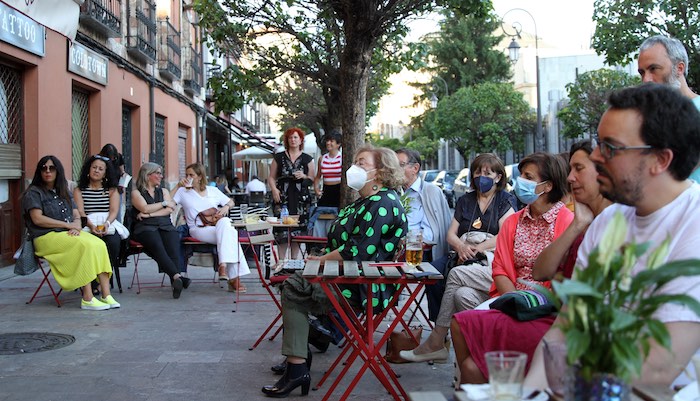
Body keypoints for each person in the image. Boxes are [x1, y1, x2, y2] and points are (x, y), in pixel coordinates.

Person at [528, 84, 700, 389]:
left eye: (610, 147)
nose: (596, 157)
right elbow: (564, 331)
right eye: (598, 144)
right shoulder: (608, 222)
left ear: (660, 160)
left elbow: (657, 369)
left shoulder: (693, 223)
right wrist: (527, 393)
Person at [449, 141, 611, 384]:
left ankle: (459, 361)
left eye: (528, 177)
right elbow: (502, 268)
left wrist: (526, 306)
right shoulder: (515, 220)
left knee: (471, 353)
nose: (571, 177)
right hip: (514, 298)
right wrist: (514, 301)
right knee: (462, 320)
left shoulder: (571, 220)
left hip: (544, 306)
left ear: (547, 186)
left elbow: (557, 285)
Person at [261, 145, 407, 398]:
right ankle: (301, 357)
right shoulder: (367, 201)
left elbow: (356, 250)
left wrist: (319, 261)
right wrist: (320, 259)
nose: (354, 167)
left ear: (380, 172)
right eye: (355, 161)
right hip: (349, 275)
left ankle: (299, 363)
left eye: (362, 163)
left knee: (293, 287)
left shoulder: (382, 202)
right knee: (293, 284)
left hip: (362, 286)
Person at [400, 153, 516, 363]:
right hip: (461, 251)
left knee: (455, 274)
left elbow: (504, 236)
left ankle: (437, 339)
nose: (481, 176)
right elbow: (450, 234)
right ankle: (442, 333)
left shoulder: (505, 200)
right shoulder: (465, 200)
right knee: (433, 273)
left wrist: (477, 249)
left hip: (488, 255)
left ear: (498, 176)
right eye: (478, 172)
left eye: (487, 173)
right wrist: (461, 247)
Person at [21, 155, 120, 310]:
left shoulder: (63, 191)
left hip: (65, 233)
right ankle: (87, 298)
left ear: (58, 171)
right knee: (83, 246)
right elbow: (37, 219)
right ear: (39, 171)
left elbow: (76, 213)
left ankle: (106, 294)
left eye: (52, 168)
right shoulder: (34, 192)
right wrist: (67, 226)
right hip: (45, 237)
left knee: (99, 244)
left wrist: (76, 225)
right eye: (44, 168)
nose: (48, 171)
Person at [172, 163, 250, 292]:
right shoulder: (182, 192)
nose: (188, 178)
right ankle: (233, 278)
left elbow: (231, 202)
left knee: (226, 223)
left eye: (191, 175)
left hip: (215, 226)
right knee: (231, 234)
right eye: (187, 175)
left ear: (200, 177)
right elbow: (168, 202)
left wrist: (226, 207)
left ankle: (223, 266)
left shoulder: (212, 190)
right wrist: (177, 186)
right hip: (197, 229)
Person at [637, 35, 700, 182]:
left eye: (653, 69)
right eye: (642, 72)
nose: (646, 79)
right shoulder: (647, 117)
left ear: (679, 68)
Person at [130, 162, 190, 299]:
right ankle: (178, 277)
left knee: (173, 245)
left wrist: (150, 214)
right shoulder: (136, 193)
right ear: (147, 175)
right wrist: (163, 203)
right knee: (158, 247)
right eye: (157, 173)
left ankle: (176, 282)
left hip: (164, 224)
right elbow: (144, 208)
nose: (161, 176)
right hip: (145, 227)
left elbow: (169, 209)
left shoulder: (163, 191)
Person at [74, 154, 129, 290]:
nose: (96, 171)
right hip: (87, 224)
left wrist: (106, 224)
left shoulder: (112, 190)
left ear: (105, 173)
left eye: (100, 169)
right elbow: (80, 211)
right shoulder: (79, 190)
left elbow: (114, 211)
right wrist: (91, 226)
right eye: (94, 167)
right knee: (88, 245)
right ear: (88, 169)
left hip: (107, 223)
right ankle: (92, 280)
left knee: (113, 243)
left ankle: (103, 278)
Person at [395, 148, 452, 262]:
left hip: (418, 253)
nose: (396, 170)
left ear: (415, 168)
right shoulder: (394, 192)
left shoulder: (430, 191)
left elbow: (432, 234)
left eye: (401, 165)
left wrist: (409, 239)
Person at [268, 127, 316, 258]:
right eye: (290, 137)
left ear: (301, 140)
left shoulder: (307, 159)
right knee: (281, 230)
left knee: (297, 230)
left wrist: (304, 176)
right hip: (283, 195)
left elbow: (312, 179)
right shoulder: (279, 157)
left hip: (300, 198)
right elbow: (271, 177)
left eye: (295, 137)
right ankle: (281, 261)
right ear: (287, 140)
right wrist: (274, 189)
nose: (293, 140)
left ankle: (294, 260)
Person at [309, 131, 342, 235]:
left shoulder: (342, 158)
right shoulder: (322, 158)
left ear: (338, 144)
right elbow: (318, 176)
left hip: (339, 191)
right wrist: (316, 189)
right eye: (327, 141)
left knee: (337, 216)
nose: (328, 143)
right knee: (319, 215)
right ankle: (319, 238)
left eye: (332, 141)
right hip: (326, 190)